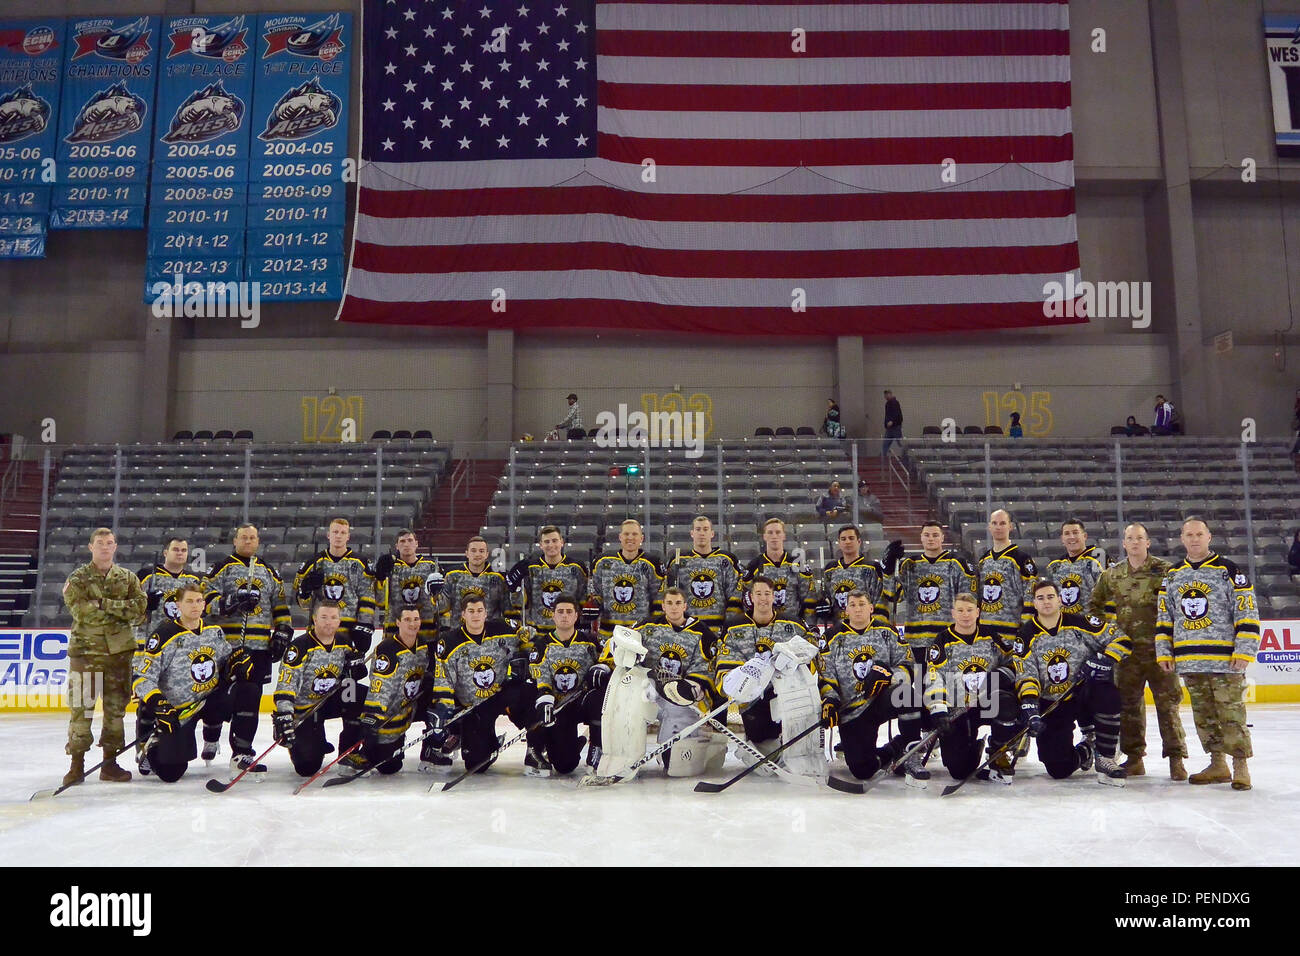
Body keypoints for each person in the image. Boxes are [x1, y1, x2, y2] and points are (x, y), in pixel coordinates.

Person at [1156, 517, 1260, 791]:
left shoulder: (1228, 570)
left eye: (1199, 534)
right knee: (1204, 714)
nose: (1194, 539)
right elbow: (1165, 617)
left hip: (1225, 659)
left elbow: (1247, 611)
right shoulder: (1173, 574)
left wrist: (1245, 650)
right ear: (1181, 538)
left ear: (1209, 537)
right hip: (1190, 659)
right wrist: (1164, 651)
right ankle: (1217, 763)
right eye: (1189, 535)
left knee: (1231, 712)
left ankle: (1240, 765)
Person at [1089, 522, 1186, 779]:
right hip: (1127, 654)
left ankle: (1176, 759)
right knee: (1129, 707)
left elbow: (1180, 605)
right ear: (1123, 543)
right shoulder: (1112, 574)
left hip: (1160, 652)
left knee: (1168, 706)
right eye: (1129, 538)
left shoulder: (1166, 571)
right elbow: (1094, 606)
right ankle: (1134, 758)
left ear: (1148, 542)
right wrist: (1109, 633)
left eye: (1139, 538)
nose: (1134, 542)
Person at [1012, 580, 1130, 786]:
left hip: (1083, 693)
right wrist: (1031, 707)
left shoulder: (1081, 623)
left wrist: (1104, 659)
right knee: (1058, 768)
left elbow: (1122, 640)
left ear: (1059, 600)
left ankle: (1106, 757)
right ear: (1034, 603)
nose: (1046, 602)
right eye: (1040, 598)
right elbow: (1026, 674)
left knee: (1107, 693)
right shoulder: (1025, 635)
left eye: (1050, 597)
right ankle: (1086, 749)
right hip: (1054, 702)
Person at [132, 585, 253, 783]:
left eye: (199, 601)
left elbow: (225, 662)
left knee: (248, 690)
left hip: (209, 699)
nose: (195, 606)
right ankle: (151, 749)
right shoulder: (164, 635)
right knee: (171, 773)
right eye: (189, 601)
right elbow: (141, 677)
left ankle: (242, 753)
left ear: (204, 604)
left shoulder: (214, 632)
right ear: (178, 605)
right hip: (178, 710)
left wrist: (238, 661)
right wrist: (158, 703)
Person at [203, 524, 293, 776]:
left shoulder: (268, 571)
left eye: (252, 537)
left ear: (257, 541)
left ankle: (242, 752)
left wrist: (283, 632)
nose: (248, 541)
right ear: (235, 540)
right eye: (244, 537)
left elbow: (280, 605)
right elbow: (204, 601)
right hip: (226, 649)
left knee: (250, 699)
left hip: (258, 648)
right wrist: (230, 602)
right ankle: (211, 732)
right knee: (217, 696)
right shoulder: (222, 568)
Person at [880, 521, 977, 756]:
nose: (931, 538)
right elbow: (890, 593)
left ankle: (948, 735)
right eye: (926, 535)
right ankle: (925, 732)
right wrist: (888, 566)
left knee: (948, 688)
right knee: (922, 688)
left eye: (935, 535)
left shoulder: (956, 564)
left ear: (942, 538)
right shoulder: (910, 565)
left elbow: (968, 598)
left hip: (946, 641)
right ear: (921, 538)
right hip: (916, 640)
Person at [61, 528, 147, 787]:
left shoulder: (128, 578)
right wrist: (119, 611)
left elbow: (140, 610)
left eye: (110, 543)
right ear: (91, 547)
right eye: (100, 543)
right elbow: (82, 613)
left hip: (119, 656)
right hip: (85, 655)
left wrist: (104, 604)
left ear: (115, 546)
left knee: (115, 712)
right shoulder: (77, 579)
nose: (105, 547)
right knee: (81, 711)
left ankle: (110, 764)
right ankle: (76, 766)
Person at [715, 577, 822, 776]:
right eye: (758, 594)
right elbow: (725, 668)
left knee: (800, 732)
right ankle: (759, 743)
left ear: (774, 596)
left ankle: (798, 750)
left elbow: (813, 649)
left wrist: (795, 656)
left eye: (767, 594)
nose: (763, 598)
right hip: (754, 698)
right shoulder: (733, 627)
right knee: (766, 754)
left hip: (788, 694)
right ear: (751, 597)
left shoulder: (794, 623)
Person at [428, 597, 545, 775]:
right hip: (473, 707)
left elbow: (531, 637)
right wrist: (444, 709)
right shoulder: (450, 641)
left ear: (486, 613)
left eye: (479, 610)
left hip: (500, 696)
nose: (476, 615)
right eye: (471, 611)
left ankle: (534, 749)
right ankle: (483, 740)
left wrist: (525, 656)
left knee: (529, 689)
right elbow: (444, 679)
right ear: (463, 614)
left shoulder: (503, 629)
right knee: (477, 765)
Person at [817, 591, 918, 782]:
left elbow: (908, 665)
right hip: (852, 711)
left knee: (906, 694)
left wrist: (889, 677)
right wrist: (830, 701)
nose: (857, 609)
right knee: (862, 770)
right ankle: (896, 748)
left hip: (880, 700)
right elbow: (826, 675)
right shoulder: (832, 637)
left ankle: (911, 753)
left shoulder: (887, 632)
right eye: (853, 605)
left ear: (871, 608)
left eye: (862, 604)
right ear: (845, 610)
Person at [921, 592, 1019, 783]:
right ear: (953, 613)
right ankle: (974, 747)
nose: (965, 614)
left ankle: (998, 750)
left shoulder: (991, 636)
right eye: (960, 610)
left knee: (1007, 703)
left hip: (985, 704)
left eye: (969, 610)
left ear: (978, 612)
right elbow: (934, 676)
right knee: (959, 771)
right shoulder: (941, 641)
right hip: (957, 708)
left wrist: (1001, 675)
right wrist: (939, 710)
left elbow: (1016, 661)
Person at [134, 535, 206, 774]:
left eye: (184, 550)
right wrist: (144, 606)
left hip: (182, 652)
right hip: (152, 646)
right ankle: (142, 747)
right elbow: (129, 611)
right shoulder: (146, 575)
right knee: (147, 699)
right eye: (175, 549)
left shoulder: (194, 579)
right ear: (165, 552)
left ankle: (171, 743)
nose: (180, 553)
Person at [272, 602, 366, 777]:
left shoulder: (344, 643)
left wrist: (356, 669)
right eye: (324, 617)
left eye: (333, 617)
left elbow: (355, 674)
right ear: (314, 619)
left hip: (329, 701)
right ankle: (315, 740)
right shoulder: (300, 647)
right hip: (306, 710)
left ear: (339, 621)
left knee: (357, 693)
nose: (328, 622)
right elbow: (287, 683)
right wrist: (284, 713)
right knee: (307, 767)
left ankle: (348, 753)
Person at [342, 604, 434, 776]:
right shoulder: (387, 650)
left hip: (411, 706)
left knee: (438, 701)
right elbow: (379, 687)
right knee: (389, 767)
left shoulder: (424, 647)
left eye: (416, 619)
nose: (412, 624)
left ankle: (432, 750)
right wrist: (373, 717)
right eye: (407, 620)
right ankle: (362, 752)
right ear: (398, 622)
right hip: (390, 711)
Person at [531, 596, 605, 773]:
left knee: (600, 696)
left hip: (582, 702)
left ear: (576, 616)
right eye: (560, 612)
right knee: (565, 765)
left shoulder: (590, 641)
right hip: (559, 707)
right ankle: (571, 744)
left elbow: (606, 661)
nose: (564, 616)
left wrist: (602, 668)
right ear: (553, 616)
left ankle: (597, 746)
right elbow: (541, 678)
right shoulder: (543, 645)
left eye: (569, 612)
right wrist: (546, 701)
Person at [294, 517, 377, 653]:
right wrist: (306, 590)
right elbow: (303, 604)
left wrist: (364, 625)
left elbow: (367, 597)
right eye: (335, 532)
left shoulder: (361, 563)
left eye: (343, 533)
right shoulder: (314, 563)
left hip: (349, 632)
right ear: (328, 535)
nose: (338, 536)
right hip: (319, 632)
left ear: (348, 537)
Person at [588, 519, 665, 644]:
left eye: (634, 534)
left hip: (640, 634)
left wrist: (653, 630)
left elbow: (658, 601)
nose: (630, 537)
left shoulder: (653, 563)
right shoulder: (603, 562)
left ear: (642, 538)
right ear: (620, 537)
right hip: (609, 634)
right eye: (626, 534)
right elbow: (596, 595)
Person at [665, 515, 741, 635]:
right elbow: (670, 595)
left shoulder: (725, 559)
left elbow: (735, 593)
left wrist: (729, 624)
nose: (701, 533)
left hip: (719, 628)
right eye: (698, 529)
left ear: (712, 533)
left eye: (705, 529)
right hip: (688, 629)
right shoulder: (678, 560)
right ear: (692, 533)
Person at [514, 526, 589, 638]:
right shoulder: (530, 568)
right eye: (546, 541)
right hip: (537, 633)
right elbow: (522, 602)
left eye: (554, 541)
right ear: (540, 544)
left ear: (562, 542)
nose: (551, 545)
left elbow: (583, 598)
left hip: (568, 633)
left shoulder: (577, 567)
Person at [817, 525, 897, 630]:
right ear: (839, 543)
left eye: (851, 538)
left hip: (867, 631)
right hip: (840, 631)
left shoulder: (872, 568)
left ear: (859, 542)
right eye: (843, 539)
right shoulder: (830, 569)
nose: (847, 542)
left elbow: (880, 600)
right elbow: (827, 598)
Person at [977, 509, 1038, 643]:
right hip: (985, 633)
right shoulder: (983, 560)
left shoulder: (1022, 559)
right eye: (995, 523)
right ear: (989, 526)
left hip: (1011, 632)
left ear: (1010, 527)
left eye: (1003, 523)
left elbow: (1031, 595)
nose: (998, 527)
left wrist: (1026, 627)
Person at [741, 517, 814, 624]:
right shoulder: (754, 566)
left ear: (784, 535)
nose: (774, 536)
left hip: (792, 624)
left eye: (778, 532)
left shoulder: (798, 564)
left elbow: (808, 598)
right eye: (770, 532)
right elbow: (746, 599)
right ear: (764, 536)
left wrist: (809, 624)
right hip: (764, 625)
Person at [374, 529, 441, 644]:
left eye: (410, 540)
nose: (406, 544)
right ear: (397, 546)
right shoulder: (390, 567)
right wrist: (380, 577)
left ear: (416, 543)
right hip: (395, 631)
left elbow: (440, 602)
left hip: (426, 630)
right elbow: (380, 602)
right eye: (402, 541)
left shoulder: (431, 567)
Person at [435, 535, 509, 625]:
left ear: (487, 554)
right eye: (473, 551)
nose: (477, 554)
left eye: (481, 551)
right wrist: (434, 594)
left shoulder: (498, 578)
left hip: (489, 635)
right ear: (467, 553)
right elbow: (442, 608)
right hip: (458, 633)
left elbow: (507, 609)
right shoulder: (452, 575)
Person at [1047, 519, 1107, 616]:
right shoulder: (1055, 566)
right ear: (1062, 539)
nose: (1071, 537)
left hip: (1092, 626)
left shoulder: (1099, 559)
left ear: (1085, 536)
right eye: (1067, 534)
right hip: (1064, 626)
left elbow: (1111, 593)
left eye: (1075, 533)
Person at [882, 389, 904, 460]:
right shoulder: (888, 404)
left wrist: (892, 421)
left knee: (900, 442)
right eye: (885, 395)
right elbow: (887, 415)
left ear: (890, 394)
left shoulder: (895, 403)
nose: (885, 396)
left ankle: (905, 455)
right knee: (885, 443)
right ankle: (883, 457)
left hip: (895, 427)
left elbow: (898, 414)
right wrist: (886, 424)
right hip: (890, 428)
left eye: (887, 394)